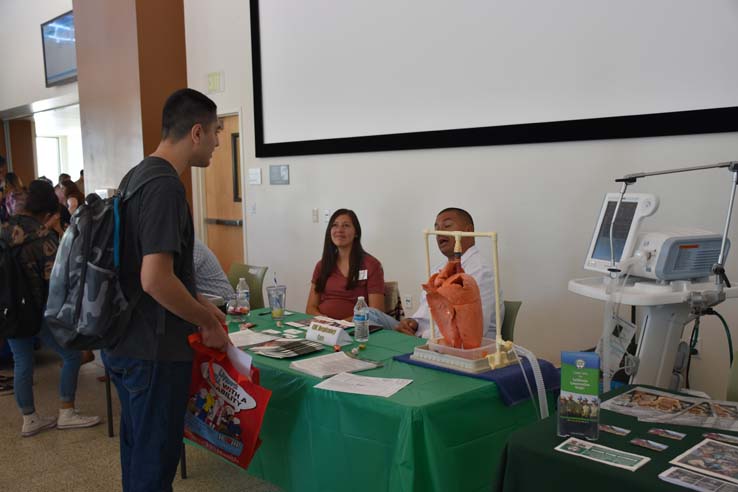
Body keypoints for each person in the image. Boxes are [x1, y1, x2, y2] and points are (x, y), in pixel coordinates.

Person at [102, 88, 230, 492]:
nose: (216, 142)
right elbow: (154, 278)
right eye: (215, 132)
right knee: (154, 468)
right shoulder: (165, 187)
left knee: (139, 458)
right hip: (154, 352)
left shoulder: (135, 176)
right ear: (196, 132)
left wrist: (199, 300)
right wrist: (205, 317)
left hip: (127, 341)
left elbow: (142, 271)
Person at [0, 180, 100, 437]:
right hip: (38, 309)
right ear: (46, 209)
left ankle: (29, 418)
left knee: (22, 361)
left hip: (9, 307)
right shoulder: (42, 237)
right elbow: (55, 280)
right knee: (71, 355)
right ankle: (67, 411)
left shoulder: (4, 229)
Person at [367, 208, 503, 339]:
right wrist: (412, 323)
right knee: (367, 314)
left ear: (469, 231)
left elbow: (470, 330)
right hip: (423, 335)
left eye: (447, 226)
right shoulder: (438, 269)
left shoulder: (480, 271)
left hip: (454, 347)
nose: (439, 232)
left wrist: (420, 337)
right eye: (437, 228)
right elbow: (425, 312)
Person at [306, 209, 385, 320]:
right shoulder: (322, 265)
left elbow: (376, 312)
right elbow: (310, 308)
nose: (339, 230)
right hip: (323, 328)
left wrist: (340, 324)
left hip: (355, 329)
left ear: (356, 232)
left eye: (346, 225)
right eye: (335, 225)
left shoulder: (372, 265)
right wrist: (324, 321)